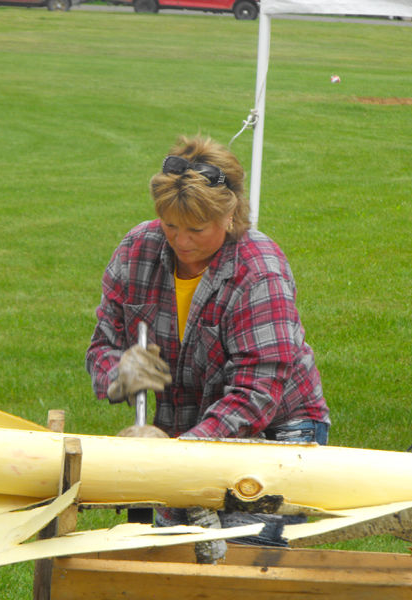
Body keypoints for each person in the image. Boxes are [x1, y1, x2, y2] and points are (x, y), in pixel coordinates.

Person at [85, 134, 330, 557]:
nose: (180, 241)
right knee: (171, 555)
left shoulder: (258, 271)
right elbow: (102, 346)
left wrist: (176, 456)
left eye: (196, 229)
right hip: (184, 430)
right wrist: (119, 372)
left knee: (240, 555)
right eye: (170, 225)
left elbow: (255, 396)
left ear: (230, 214)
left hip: (276, 432)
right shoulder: (136, 250)